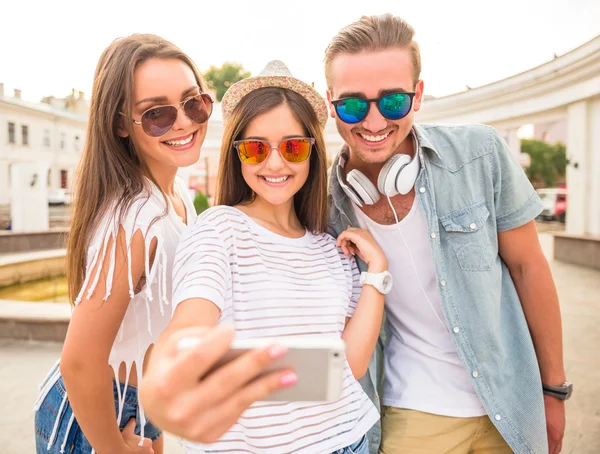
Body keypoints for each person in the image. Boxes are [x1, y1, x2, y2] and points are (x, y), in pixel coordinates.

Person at [325, 13, 569, 454]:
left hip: (510, 401)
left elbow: (529, 268)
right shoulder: (325, 205)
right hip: (410, 411)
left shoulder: (481, 155)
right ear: (330, 102)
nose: (375, 121)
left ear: (418, 95)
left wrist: (554, 391)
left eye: (393, 102)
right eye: (354, 105)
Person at [34, 35, 290, 454]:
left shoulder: (178, 195)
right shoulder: (135, 218)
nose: (184, 122)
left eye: (194, 103)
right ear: (120, 124)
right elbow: (79, 362)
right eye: (156, 114)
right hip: (99, 416)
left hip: (135, 409)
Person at [142, 60, 389, 454]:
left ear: (312, 151)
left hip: (346, 442)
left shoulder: (331, 248)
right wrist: (164, 384)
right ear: (238, 155)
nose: (276, 163)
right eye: (257, 149)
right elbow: (187, 328)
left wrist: (377, 272)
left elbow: (350, 367)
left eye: (292, 146)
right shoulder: (217, 230)